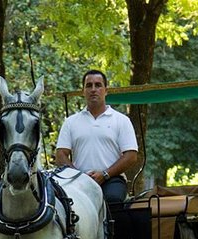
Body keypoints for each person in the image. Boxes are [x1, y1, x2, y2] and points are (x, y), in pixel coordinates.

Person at [55, 69, 138, 203]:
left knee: (113, 200)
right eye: (89, 85)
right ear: (83, 91)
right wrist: (79, 176)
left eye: (98, 85)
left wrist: (105, 174)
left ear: (106, 90)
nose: (93, 89)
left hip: (112, 180)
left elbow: (131, 156)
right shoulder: (70, 122)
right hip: (78, 181)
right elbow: (60, 155)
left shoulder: (121, 120)